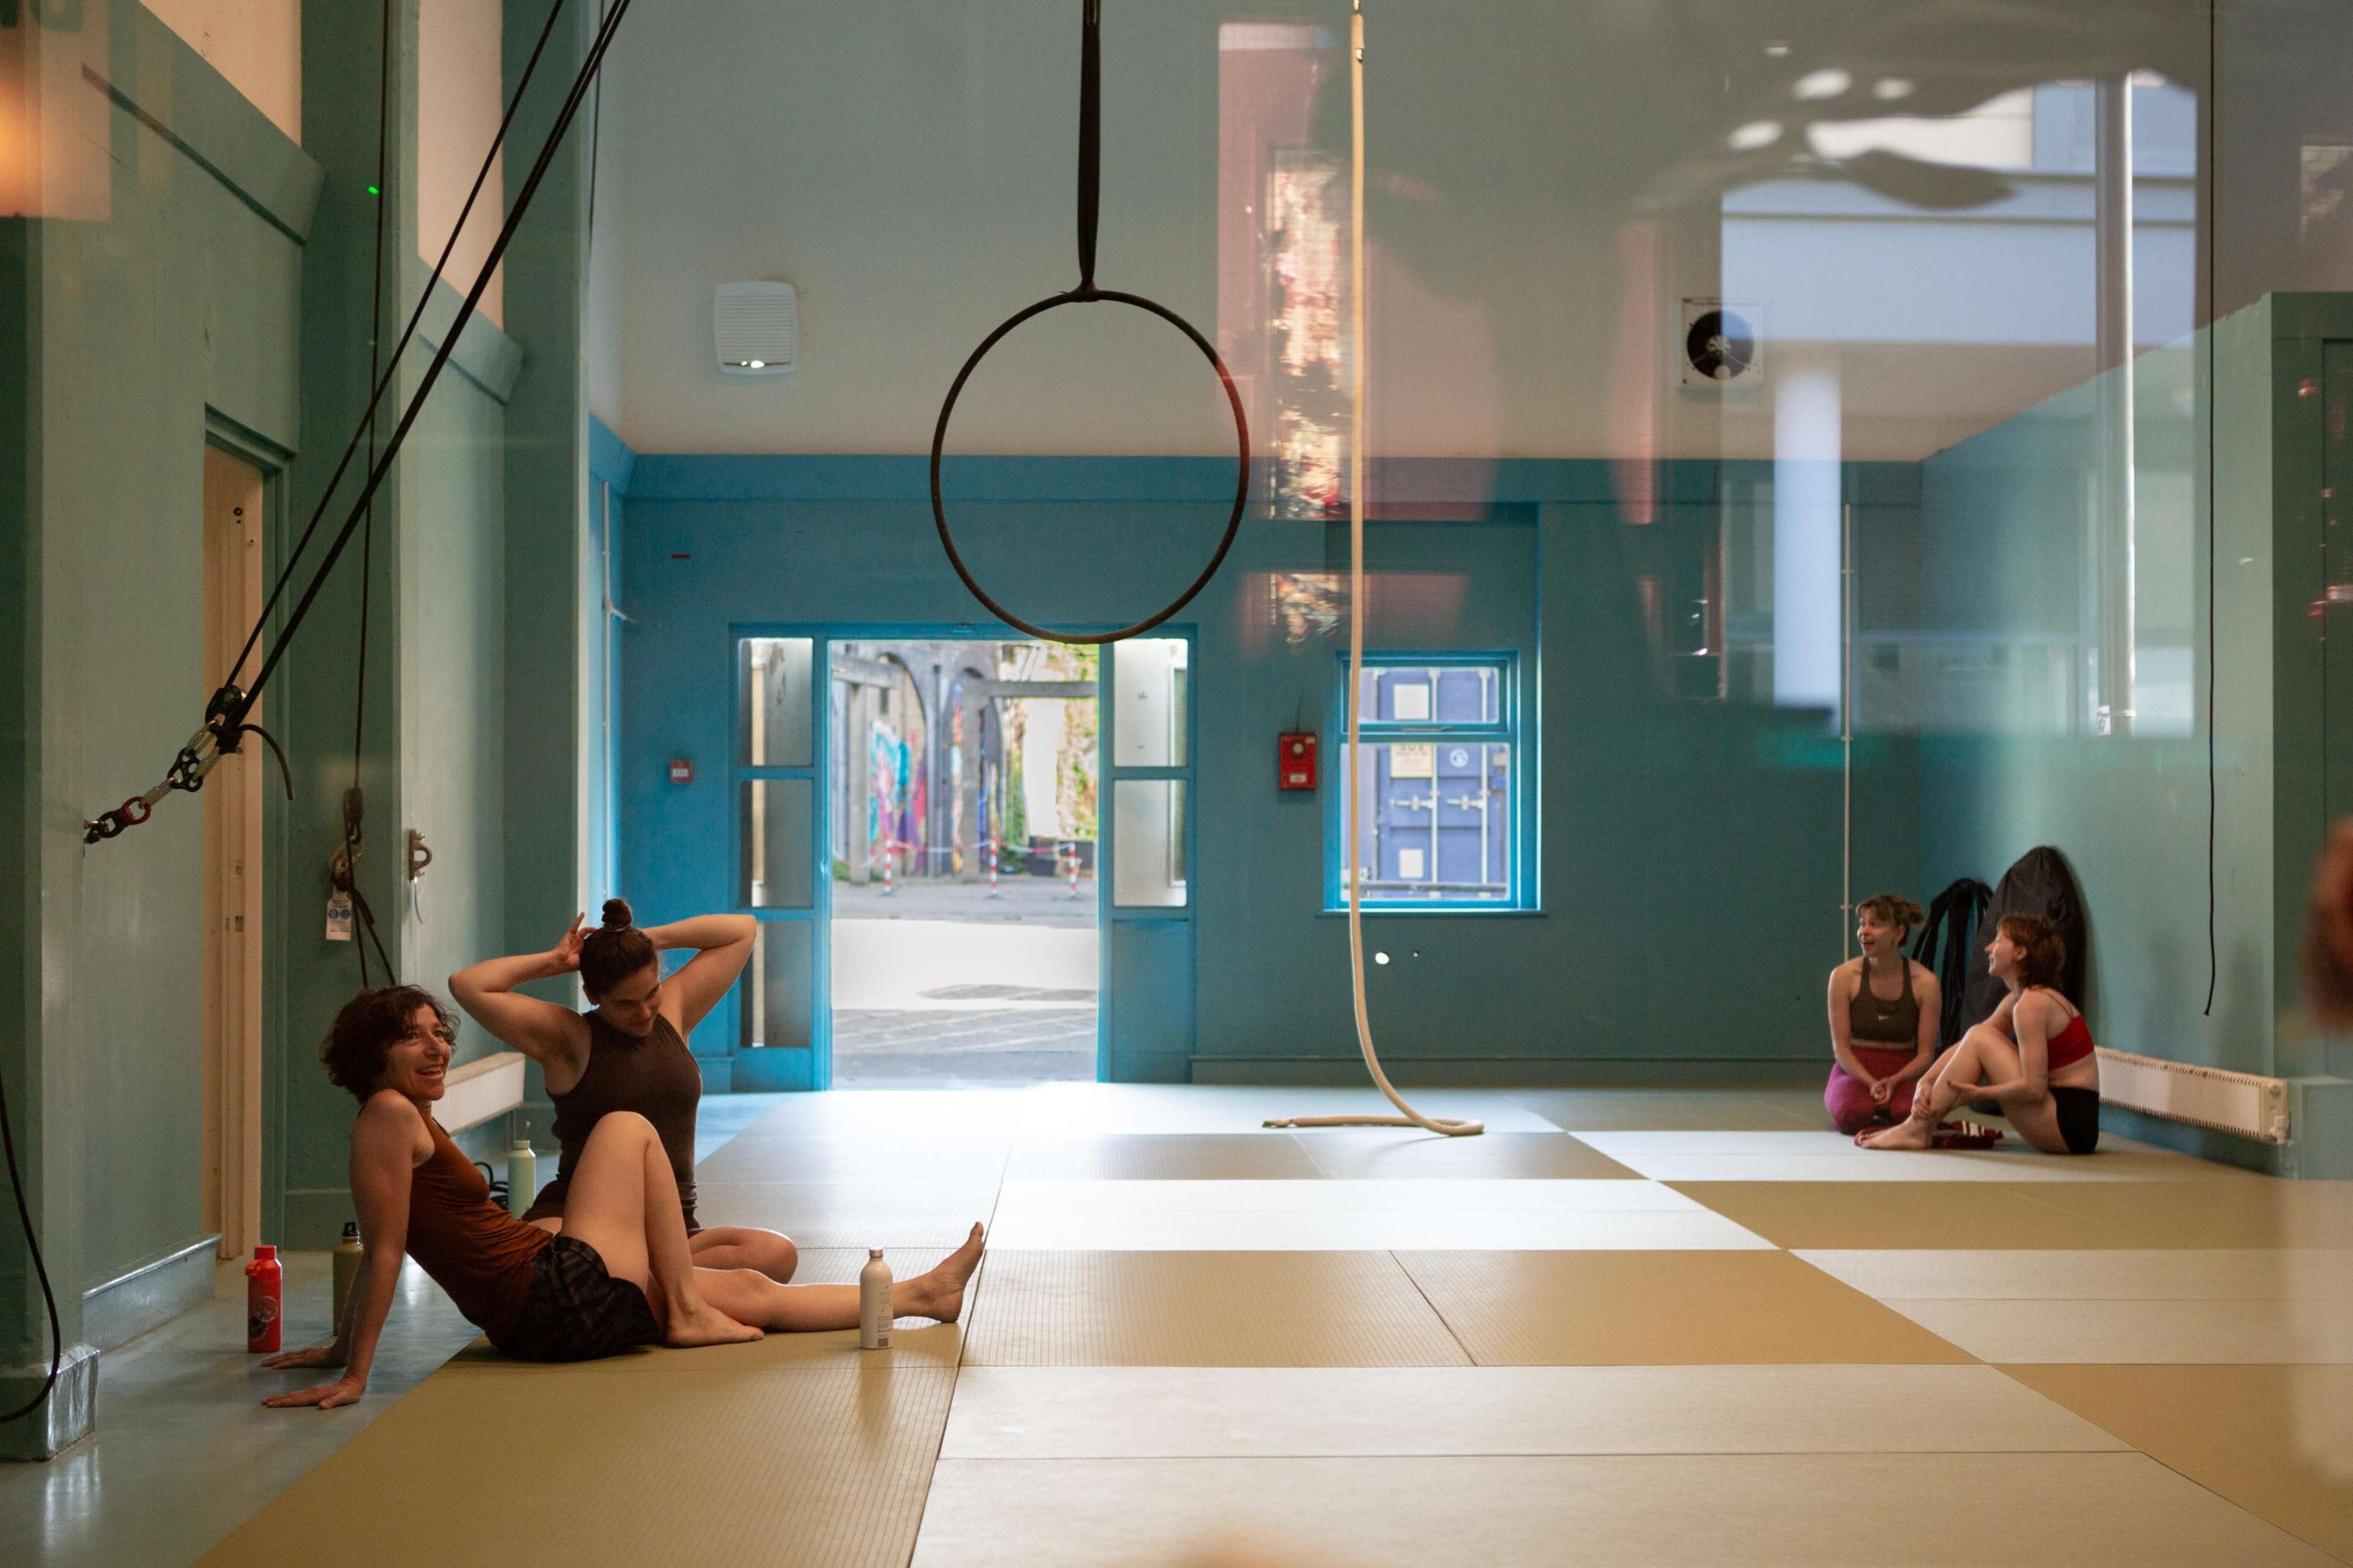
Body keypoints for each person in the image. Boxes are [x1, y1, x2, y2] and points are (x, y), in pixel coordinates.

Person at [261, 987, 983, 1406]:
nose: (436, 1048)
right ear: (373, 1056)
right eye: (410, 1039)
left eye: (437, 1034)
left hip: (550, 1306)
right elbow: (385, 1252)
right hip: (551, 1300)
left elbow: (406, 1241)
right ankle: (689, 1312)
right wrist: (355, 1369)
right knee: (627, 1127)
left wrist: (337, 1348)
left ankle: (922, 1297)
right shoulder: (388, 1115)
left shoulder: (402, 1116)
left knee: (751, 1287)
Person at [449, 899, 798, 1281]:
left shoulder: (674, 1009)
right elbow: (468, 985)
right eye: (625, 1004)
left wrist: (641, 941)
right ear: (592, 994)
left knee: (775, 1254)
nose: (644, 1012)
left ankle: (634, 1284)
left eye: (651, 993)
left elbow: (742, 930)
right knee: (545, 1263)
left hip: (672, 1230)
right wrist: (555, 961)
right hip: (580, 1225)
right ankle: (659, 1285)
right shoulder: (569, 1038)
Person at [1858, 914, 2100, 1156]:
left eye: (1998, 940)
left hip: (2067, 1128)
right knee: (1980, 1034)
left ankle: (1915, 1130)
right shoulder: (2021, 1000)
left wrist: (1977, 1094)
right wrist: (1927, 1080)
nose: (1988, 948)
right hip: (2064, 1120)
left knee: (1981, 1037)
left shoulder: (2033, 1004)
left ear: (2020, 953)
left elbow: (2034, 1088)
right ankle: (1915, 1127)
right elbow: (1970, 1042)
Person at [1824, 894, 1941, 1135]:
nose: (1864, 932)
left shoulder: (1926, 983)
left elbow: (1926, 1054)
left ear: (1898, 934)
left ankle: (1891, 1112)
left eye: (1874, 925)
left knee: (1908, 1113)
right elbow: (1841, 1049)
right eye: (1862, 924)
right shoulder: (1843, 977)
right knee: (1853, 1112)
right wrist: (1870, 1082)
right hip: (1855, 1069)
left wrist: (1894, 1080)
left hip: (1904, 1071)